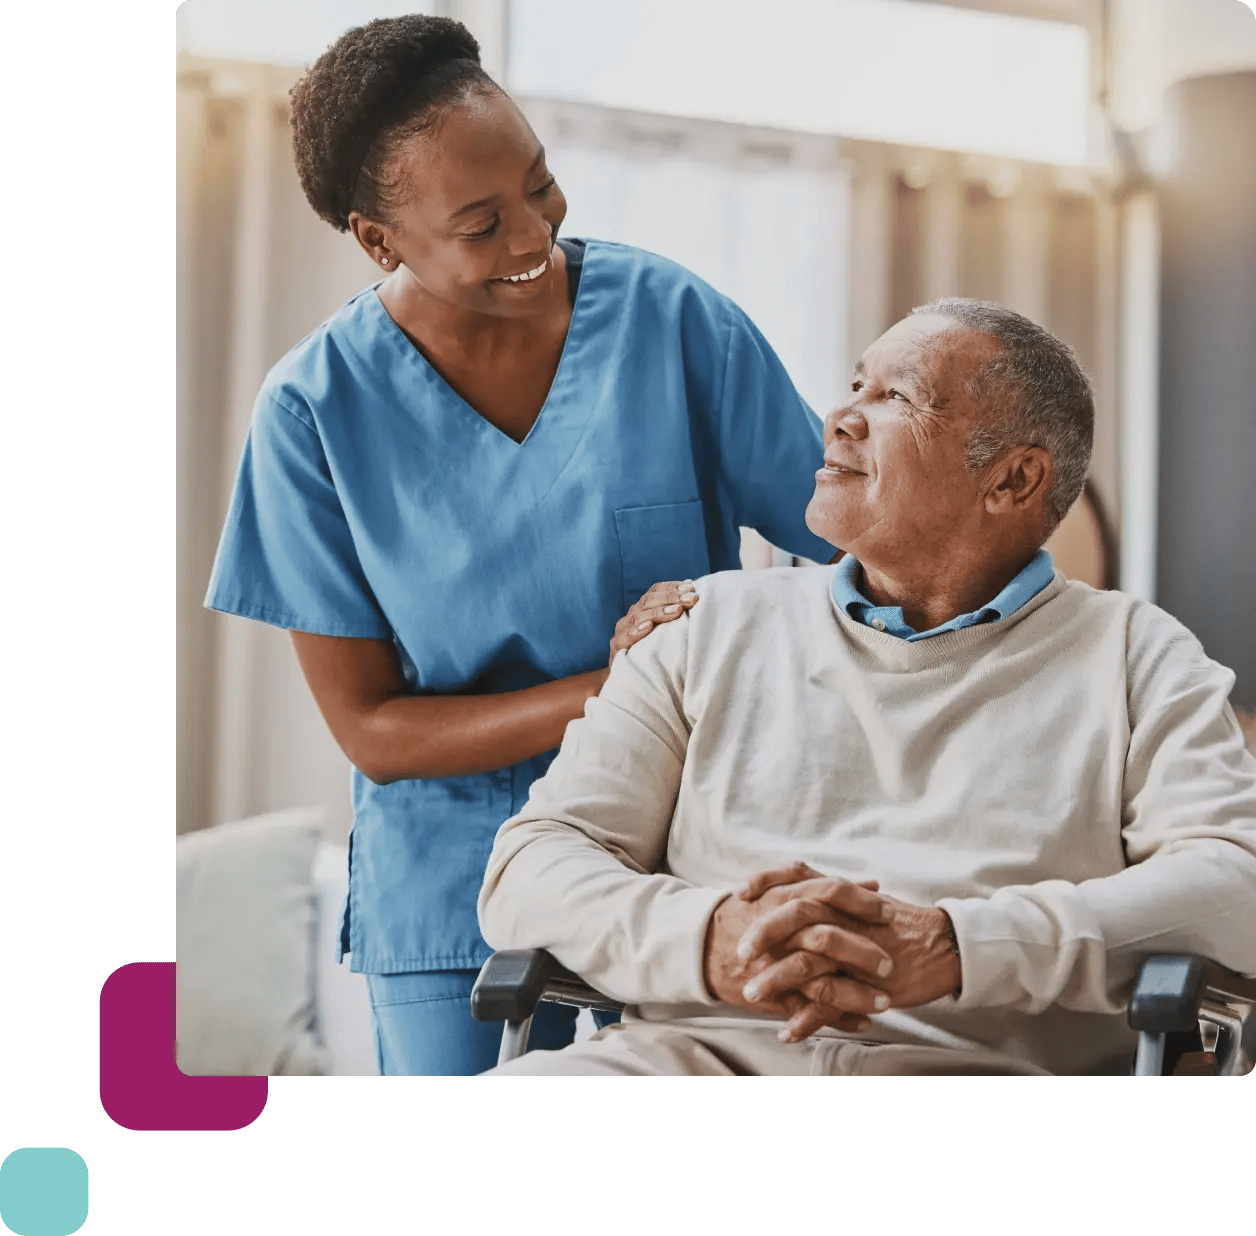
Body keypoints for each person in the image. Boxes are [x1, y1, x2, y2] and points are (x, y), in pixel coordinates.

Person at [204, 15, 836, 1076]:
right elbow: (372, 729)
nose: (532, 235)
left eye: (539, 185)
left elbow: (848, 544)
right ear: (378, 239)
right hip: (455, 881)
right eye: (480, 222)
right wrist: (629, 682)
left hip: (690, 857)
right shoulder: (313, 411)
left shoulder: (670, 320)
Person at [477, 298, 1256, 1077]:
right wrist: (709, 934)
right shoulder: (703, 623)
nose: (840, 417)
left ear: (1014, 479)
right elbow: (533, 863)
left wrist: (960, 945)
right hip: (681, 1064)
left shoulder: (1136, 654)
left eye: (897, 397)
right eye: (856, 384)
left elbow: (1236, 882)